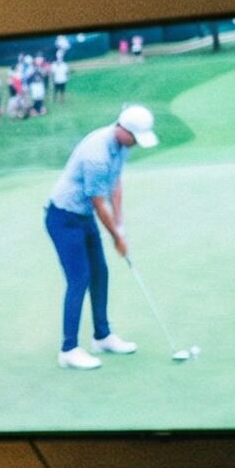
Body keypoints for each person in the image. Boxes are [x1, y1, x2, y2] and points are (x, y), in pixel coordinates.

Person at [43, 104, 156, 369]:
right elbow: (98, 201)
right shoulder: (97, 153)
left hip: (83, 217)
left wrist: (121, 226)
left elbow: (115, 185)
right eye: (136, 138)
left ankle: (102, 336)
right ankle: (68, 349)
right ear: (123, 129)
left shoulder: (122, 146)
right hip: (63, 218)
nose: (137, 144)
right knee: (79, 278)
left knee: (100, 273)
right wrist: (116, 237)